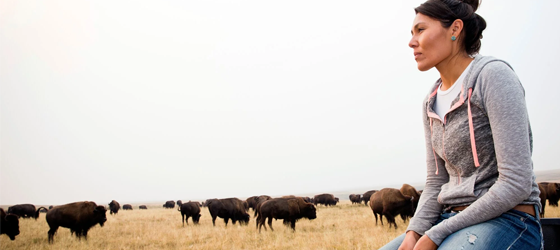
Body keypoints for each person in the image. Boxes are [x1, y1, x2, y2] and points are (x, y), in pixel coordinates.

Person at [380, 0, 543, 249]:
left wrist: (436, 234)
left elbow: (516, 182)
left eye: (420, 30)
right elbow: (436, 182)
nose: (412, 42)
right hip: (451, 219)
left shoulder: (492, 76)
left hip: (509, 220)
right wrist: (414, 231)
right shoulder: (430, 102)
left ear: (455, 29)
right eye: (411, 33)